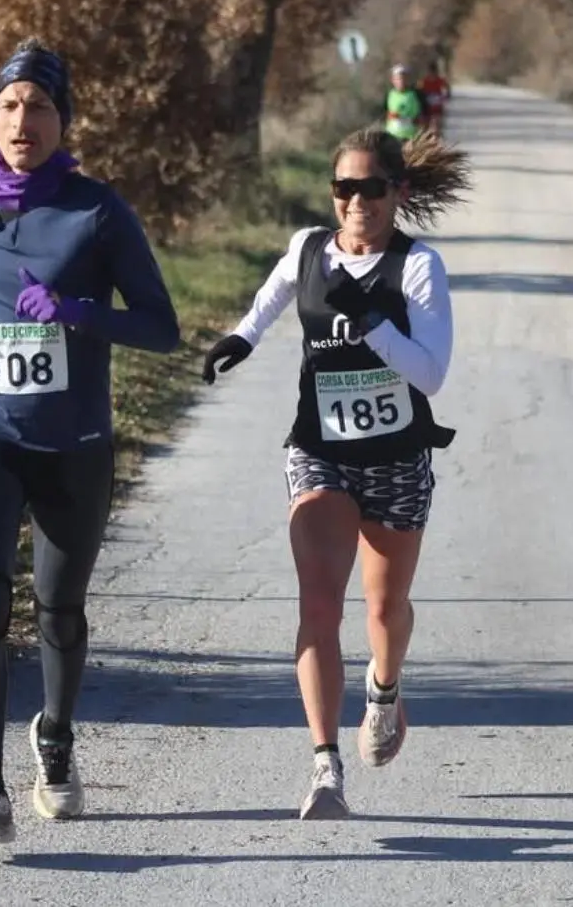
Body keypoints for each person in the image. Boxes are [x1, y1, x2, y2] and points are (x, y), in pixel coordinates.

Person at [0, 37, 181, 846]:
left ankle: (55, 741)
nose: (22, 120)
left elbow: (162, 328)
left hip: (75, 443)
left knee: (60, 609)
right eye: (8, 104)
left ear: (64, 119)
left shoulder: (98, 212)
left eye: (38, 105)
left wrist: (79, 313)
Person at [201, 125, 472, 819]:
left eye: (372, 189)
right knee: (320, 604)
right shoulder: (308, 249)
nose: (357, 202)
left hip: (395, 457)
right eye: (344, 189)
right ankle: (325, 769)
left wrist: (374, 325)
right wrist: (240, 338)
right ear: (333, 194)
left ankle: (385, 689)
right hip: (319, 448)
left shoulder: (416, 267)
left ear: (397, 193)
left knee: (384, 610)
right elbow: (271, 298)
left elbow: (432, 375)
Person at [383, 64, 427, 142]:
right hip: (393, 136)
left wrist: (419, 120)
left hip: (412, 137)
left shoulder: (417, 94)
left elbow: (425, 114)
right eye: (398, 79)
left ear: (408, 79)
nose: (401, 81)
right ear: (393, 80)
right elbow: (383, 114)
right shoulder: (388, 95)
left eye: (404, 78)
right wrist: (391, 116)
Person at [418, 60, 451, 137]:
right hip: (426, 109)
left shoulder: (440, 80)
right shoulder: (424, 81)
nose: (432, 74)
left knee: (436, 128)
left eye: (433, 71)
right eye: (431, 71)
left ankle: (437, 141)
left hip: (437, 109)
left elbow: (447, 90)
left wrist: (445, 97)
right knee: (426, 129)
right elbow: (418, 92)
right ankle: (429, 142)